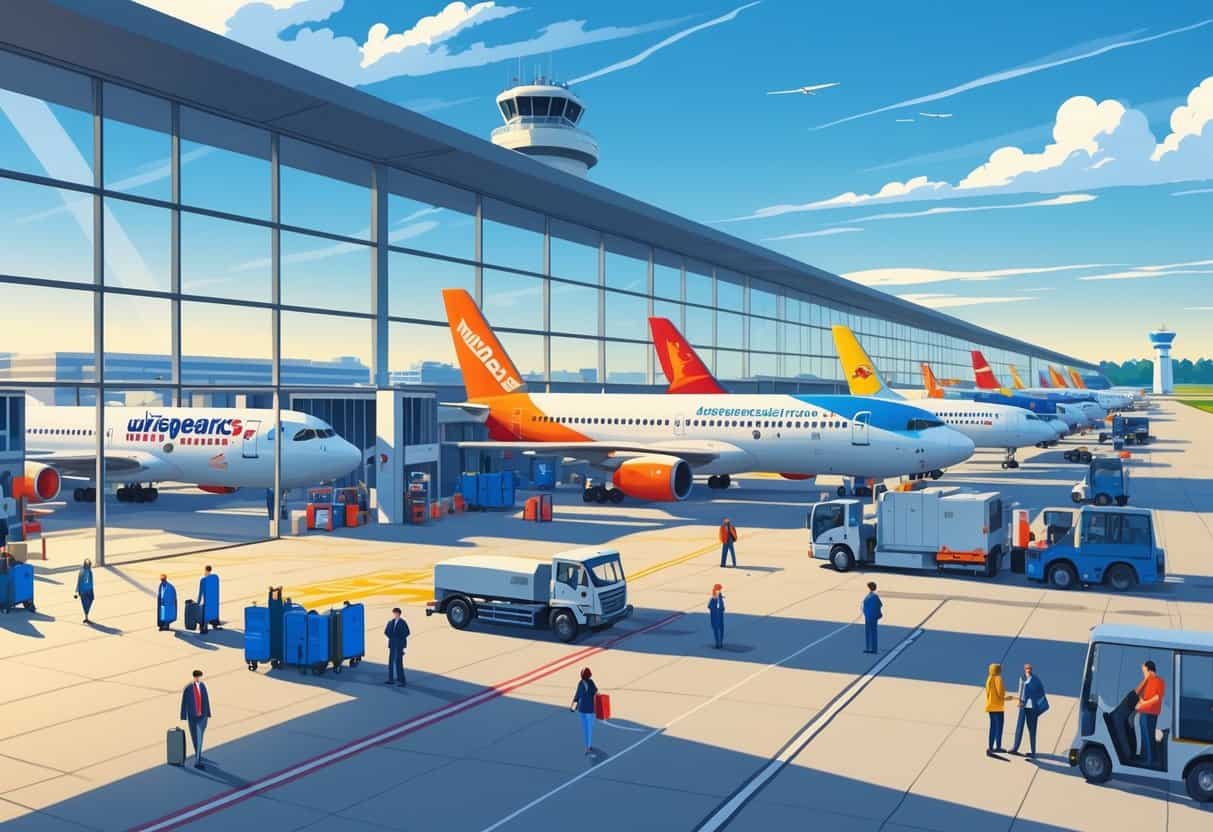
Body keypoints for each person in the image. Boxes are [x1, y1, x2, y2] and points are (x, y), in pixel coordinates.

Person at [1010, 663, 1049, 757]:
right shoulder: (1022, 678)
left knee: (1032, 729)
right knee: (1019, 726)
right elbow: (1020, 691)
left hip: (1032, 707)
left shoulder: (1036, 680)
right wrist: (1020, 701)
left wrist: (1036, 701)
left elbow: (1041, 692)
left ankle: (1033, 751)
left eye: (1029, 668)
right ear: (1024, 669)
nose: (1028, 669)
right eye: (1026, 668)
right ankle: (1015, 747)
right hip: (1023, 705)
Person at [179, 669, 211, 770]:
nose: (199, 679)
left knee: (199, 737)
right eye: (198, 677)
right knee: (194, 737)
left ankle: (198, 760)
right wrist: (183, 715)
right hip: (192, 716)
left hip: (202, 716)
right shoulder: (188, 688)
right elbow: (184, 702)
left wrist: (208, 713)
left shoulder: (203, 686)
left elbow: (206, 700)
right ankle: (198, 753)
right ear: (194, 677)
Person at [1135, 660, 1165, 766]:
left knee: (1148, 736)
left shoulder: (1159, 681)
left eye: (1144, 671)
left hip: (1149, 712)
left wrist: (1144, 703)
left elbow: (1157, 697)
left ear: (1149, 669)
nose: (1143, 673)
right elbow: (1137, 692)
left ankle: (1149, 760)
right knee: (1145, 735)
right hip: (1144, 712)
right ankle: (1144, 758)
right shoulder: (1147, 681)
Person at [570, 667, 599, 755]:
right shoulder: (591, 683)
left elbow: (577, 695)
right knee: (589, 728)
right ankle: (588, 747)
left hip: (582, 709)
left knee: (586, 728)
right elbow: (596, 692)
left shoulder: (580, 683)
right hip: (590, 709)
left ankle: (588, 745)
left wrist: (573, 706)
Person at [985, 663, 1010, 754]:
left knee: (993, 727)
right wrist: (1007, 698)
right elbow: (1000, 694)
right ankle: (998, 747)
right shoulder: (998, 679)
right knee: (999, 727)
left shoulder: (989, 679)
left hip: (990, 706)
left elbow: (988, 693)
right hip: (998, 707)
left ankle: (990, 747)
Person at [384, 607, 409, 686]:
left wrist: (399, 638)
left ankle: (402, 680)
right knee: (391, 662)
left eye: (396, 613)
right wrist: (392, 637)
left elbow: (407, 632)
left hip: (399, 645)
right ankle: (391, 679)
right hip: (392, 644)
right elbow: (386, 631)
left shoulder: (403, 622)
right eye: (394, 613)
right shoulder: (391, 622)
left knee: (399, 663)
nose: (395, 614)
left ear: (399, 614)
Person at [197, 565, 220, 634]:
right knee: (213, 612)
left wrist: (198, 602)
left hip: (207, 600)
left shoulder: (203, 580)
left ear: (206, 570)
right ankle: (214, 624)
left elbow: (200, 592)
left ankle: (205, 627)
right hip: (213, 600)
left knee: (205, 614)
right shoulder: (215, 578)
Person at [861, 582, 882, 653]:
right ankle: (872, 648)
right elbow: (880, 604)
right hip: (872, 616)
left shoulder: (870, 596)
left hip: (869, 616)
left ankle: (870, 648)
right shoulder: (874, 596)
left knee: (870, 632)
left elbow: (865, 605)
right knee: (872, 632)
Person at [74, 559, 95, 624]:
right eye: (88, 565)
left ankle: (86, 615)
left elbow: (91, 581)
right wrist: (76, 591)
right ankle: (86, 617)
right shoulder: (82, 572)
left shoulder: (90, 572)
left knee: (91, 600)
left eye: (90, 565)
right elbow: (78, 582)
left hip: (90, 590)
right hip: (83, 591)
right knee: (85, 603)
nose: (89, 566)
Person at [708, 584, 725, 649]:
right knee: (717, 630)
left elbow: (722, 608)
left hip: (718, 617)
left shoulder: (719, 598)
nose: (720, 591)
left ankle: (719, 643)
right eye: (719, 590)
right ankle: (718, 643)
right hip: (715, 617)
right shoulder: (714, 598)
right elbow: (710, 606)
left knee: (719, 630)